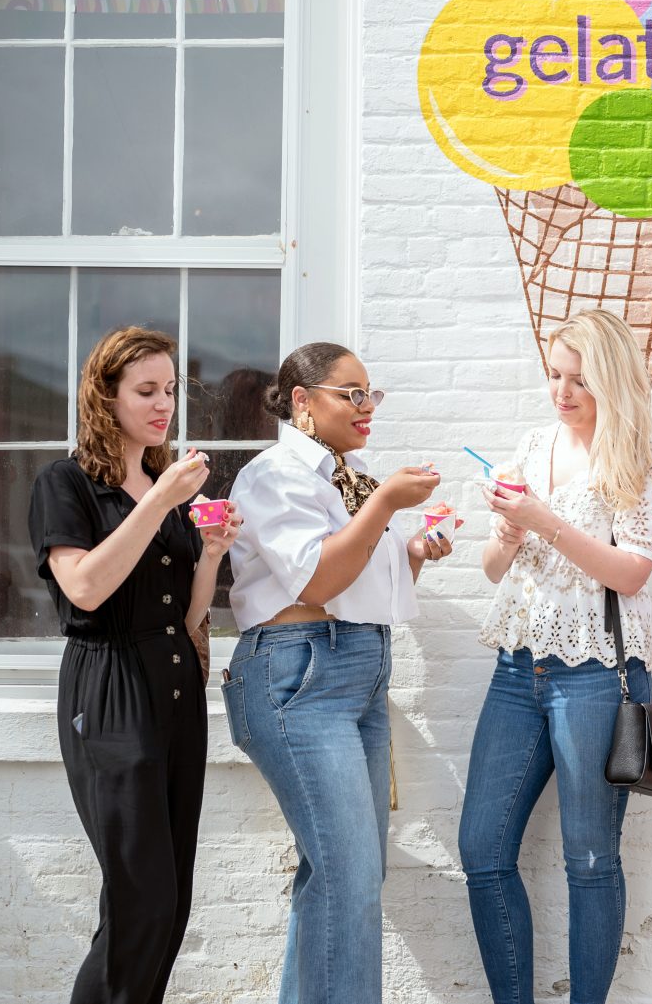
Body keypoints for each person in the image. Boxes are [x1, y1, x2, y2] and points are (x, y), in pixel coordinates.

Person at [224, 342, 451, 1004]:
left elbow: (360, 590)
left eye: (370, 394)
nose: (366, 407)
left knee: (347, 873)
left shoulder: (351, 476)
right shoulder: (274, 475)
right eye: (351, 393)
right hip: (298, 675)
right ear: (302, 400)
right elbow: (319, 577)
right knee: (348, 874)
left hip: (357, 672)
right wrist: (384, 506)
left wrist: (411, 550)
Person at [460, 308, 652, 1004]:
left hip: (596, 674)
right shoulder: (532, 443)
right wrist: (508, 533)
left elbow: (633, 572)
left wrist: (541, 519)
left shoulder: (638, 455)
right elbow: (494, 569)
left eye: (578, 379)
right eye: (554, 374)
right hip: (520, 668)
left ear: (611, 381)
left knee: (589, 858)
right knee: (483, 852)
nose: (562, 390)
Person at [27, 326, 241, 1004]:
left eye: (170, 390)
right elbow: (84, 586)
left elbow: (185, 616)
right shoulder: (68, 483)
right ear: (105, 395)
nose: (163, 405)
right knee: (140, 896)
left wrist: (208, 553)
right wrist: (159, 501)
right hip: (110, 687)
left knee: (169, 904)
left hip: (176, 688)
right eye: (146, 390)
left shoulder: (160, 484)